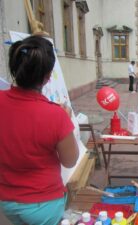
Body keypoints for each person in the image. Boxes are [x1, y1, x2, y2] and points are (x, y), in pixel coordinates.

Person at [0, 35, 79, 225]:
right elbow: (70, 161)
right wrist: (65, 121)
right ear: (48, 76)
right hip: (44, 203)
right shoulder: (55, 115)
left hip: (7, 200)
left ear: (15, 68)